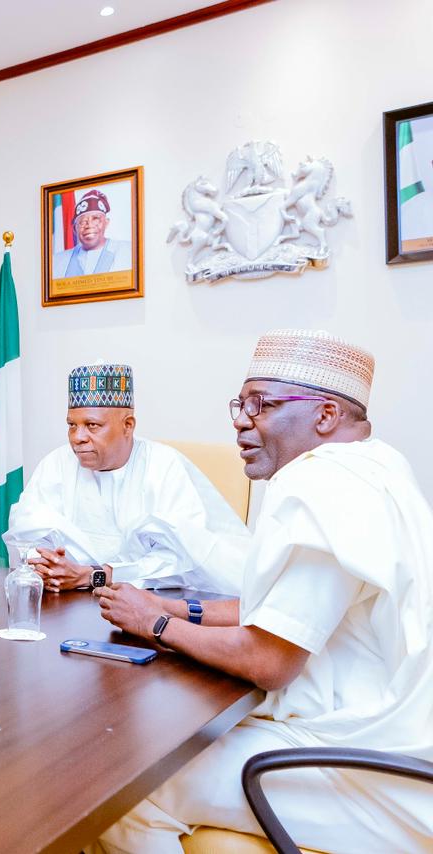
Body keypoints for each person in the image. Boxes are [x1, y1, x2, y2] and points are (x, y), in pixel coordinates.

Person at [93, 330, 433, 853]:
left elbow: (269, 659)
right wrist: (173, 605)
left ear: (324, 416)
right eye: (241, 403)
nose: (240, 420)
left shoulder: (322, 484)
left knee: (118, 788)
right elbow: (282, 612)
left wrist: (155, 624)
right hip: (396, 750)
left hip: (375, 773)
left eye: (262, 405)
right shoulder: (378, 465)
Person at [5, 363, 249, 594]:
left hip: (153, 610)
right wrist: (49, 567)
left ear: (128, 425)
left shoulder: (164, 467)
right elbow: (26, 533)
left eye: (92, 425)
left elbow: (184, 561)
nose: (77, 437)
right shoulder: (56, 464)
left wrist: (94, 575)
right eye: (71, 425)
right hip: (66, 604)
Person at [52, 189, 133, 278]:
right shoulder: (56, 261)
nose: (89, 225)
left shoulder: (129, 251)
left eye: (95, 219)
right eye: (82, 221)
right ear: (75, 229)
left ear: (106, 223)